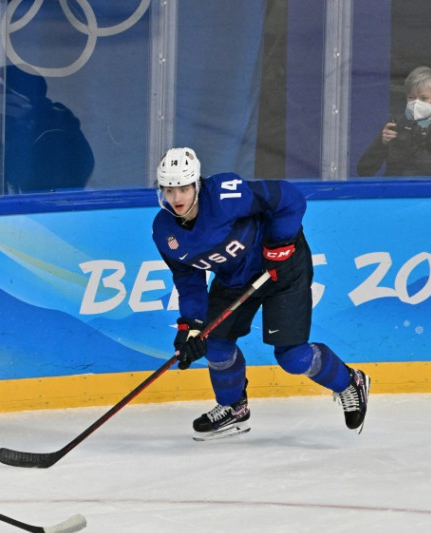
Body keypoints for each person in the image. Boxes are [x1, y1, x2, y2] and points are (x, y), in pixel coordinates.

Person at [151, 147, 370, 441]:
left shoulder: (225, 196)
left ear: (197, 184)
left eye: (183, 188)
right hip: (234, 279)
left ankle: (349, 383)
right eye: (169, 189)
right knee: (213, 344)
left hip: (281, 268)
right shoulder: (165, 231)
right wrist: (191, 324)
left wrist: (280, 243)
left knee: (292, 357)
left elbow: (289, 198)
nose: (176, 198)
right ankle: (234, 409)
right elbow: (188, 277)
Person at [357, 65, 431, 177]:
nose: (416, 103)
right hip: (396, 194)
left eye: (423, 98)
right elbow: (363, 171)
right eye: (411, 97)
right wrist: (382, 143)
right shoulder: (395, 125)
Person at [0, 65, 94, 193]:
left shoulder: (54, 133)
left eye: (0, 93)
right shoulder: (20, 128)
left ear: (22, 100)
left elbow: (48, 195)